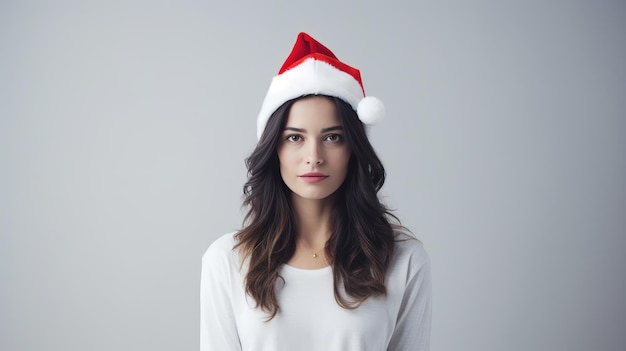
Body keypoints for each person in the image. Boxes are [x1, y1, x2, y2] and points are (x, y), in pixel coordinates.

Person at [200, 32, 431, 351]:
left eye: (333, 137)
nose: (314, 156)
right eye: (295, 137)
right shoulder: (226, 260)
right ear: (274, 149)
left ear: (354, 148)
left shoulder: (404, 259)